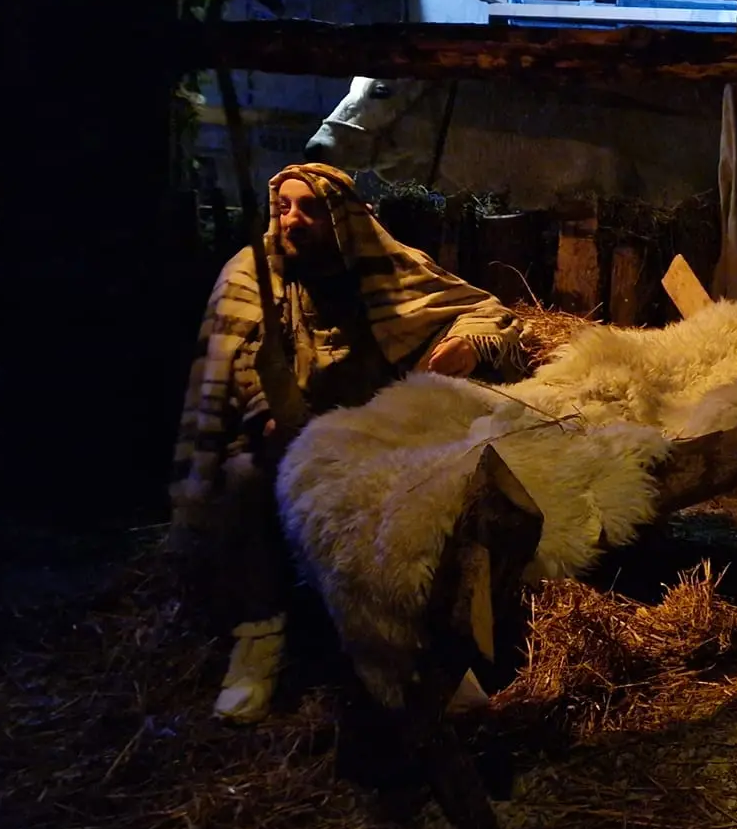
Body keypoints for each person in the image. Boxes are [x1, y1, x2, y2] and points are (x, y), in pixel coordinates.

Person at [166, 162, 527, 724]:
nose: (294, 219)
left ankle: (429, 655)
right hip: (288, 439)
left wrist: (467, 345)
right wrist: (267, 409)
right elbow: (234, 358)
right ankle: (258, 642)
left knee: (429, 489)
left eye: (308, 208)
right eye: (284, 207)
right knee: (241, 482)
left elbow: (483, 312)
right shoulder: (252, 275)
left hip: (375, 433)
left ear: (342, 216)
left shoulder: (385, 268)